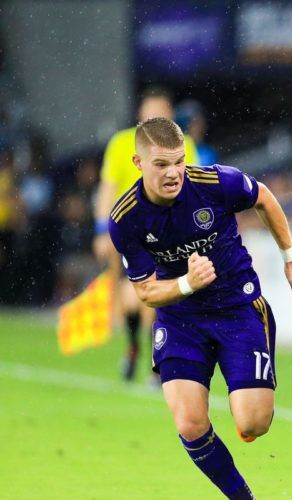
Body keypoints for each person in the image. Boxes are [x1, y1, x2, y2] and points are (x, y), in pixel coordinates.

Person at [108, 117, 292, 499]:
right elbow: (147, 292)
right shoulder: (126, 219)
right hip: (180, 319)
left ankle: (252, 379)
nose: (173, 173)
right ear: (138, 163)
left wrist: (291, 257)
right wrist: (187, 284)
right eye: (161, 165)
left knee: (252, 425)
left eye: (179, 161)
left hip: (237, 306)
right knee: (189, 422)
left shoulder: (216, 183)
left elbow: (263, 196)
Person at [93, 86, 199, 381]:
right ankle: (133, 347)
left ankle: (158, 362)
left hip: (168, 231)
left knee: (162, 296)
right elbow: (108, 188)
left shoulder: (184, 144)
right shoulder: (121, 143)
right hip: (129, 231)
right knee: (131, 298)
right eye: (149, 113)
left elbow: (196, 187)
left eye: (160, 114)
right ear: (140, 115)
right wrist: (101, 230)